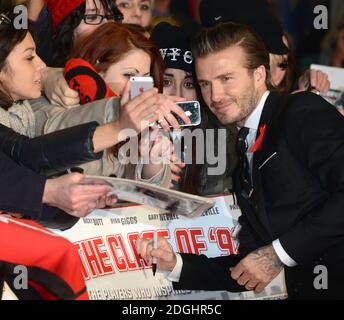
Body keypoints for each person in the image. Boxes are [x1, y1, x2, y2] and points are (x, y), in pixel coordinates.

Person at [136, 22, 344, 300]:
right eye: (204, 84)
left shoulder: (300, 111)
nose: (215, 96)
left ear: (259, 75)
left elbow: (270, 256)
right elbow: (249, 265)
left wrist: (277, 254)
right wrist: (176, 265)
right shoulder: (244, 147)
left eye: (226, 79)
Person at [0, 15, 191, 184]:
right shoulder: (53, 98)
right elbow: (51, 139)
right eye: (130, 77)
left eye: (145, 79)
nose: (139, 89)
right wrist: (121, 109)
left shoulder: (139, 125)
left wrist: (153, 161)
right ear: (95, 71)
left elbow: (148, 198)